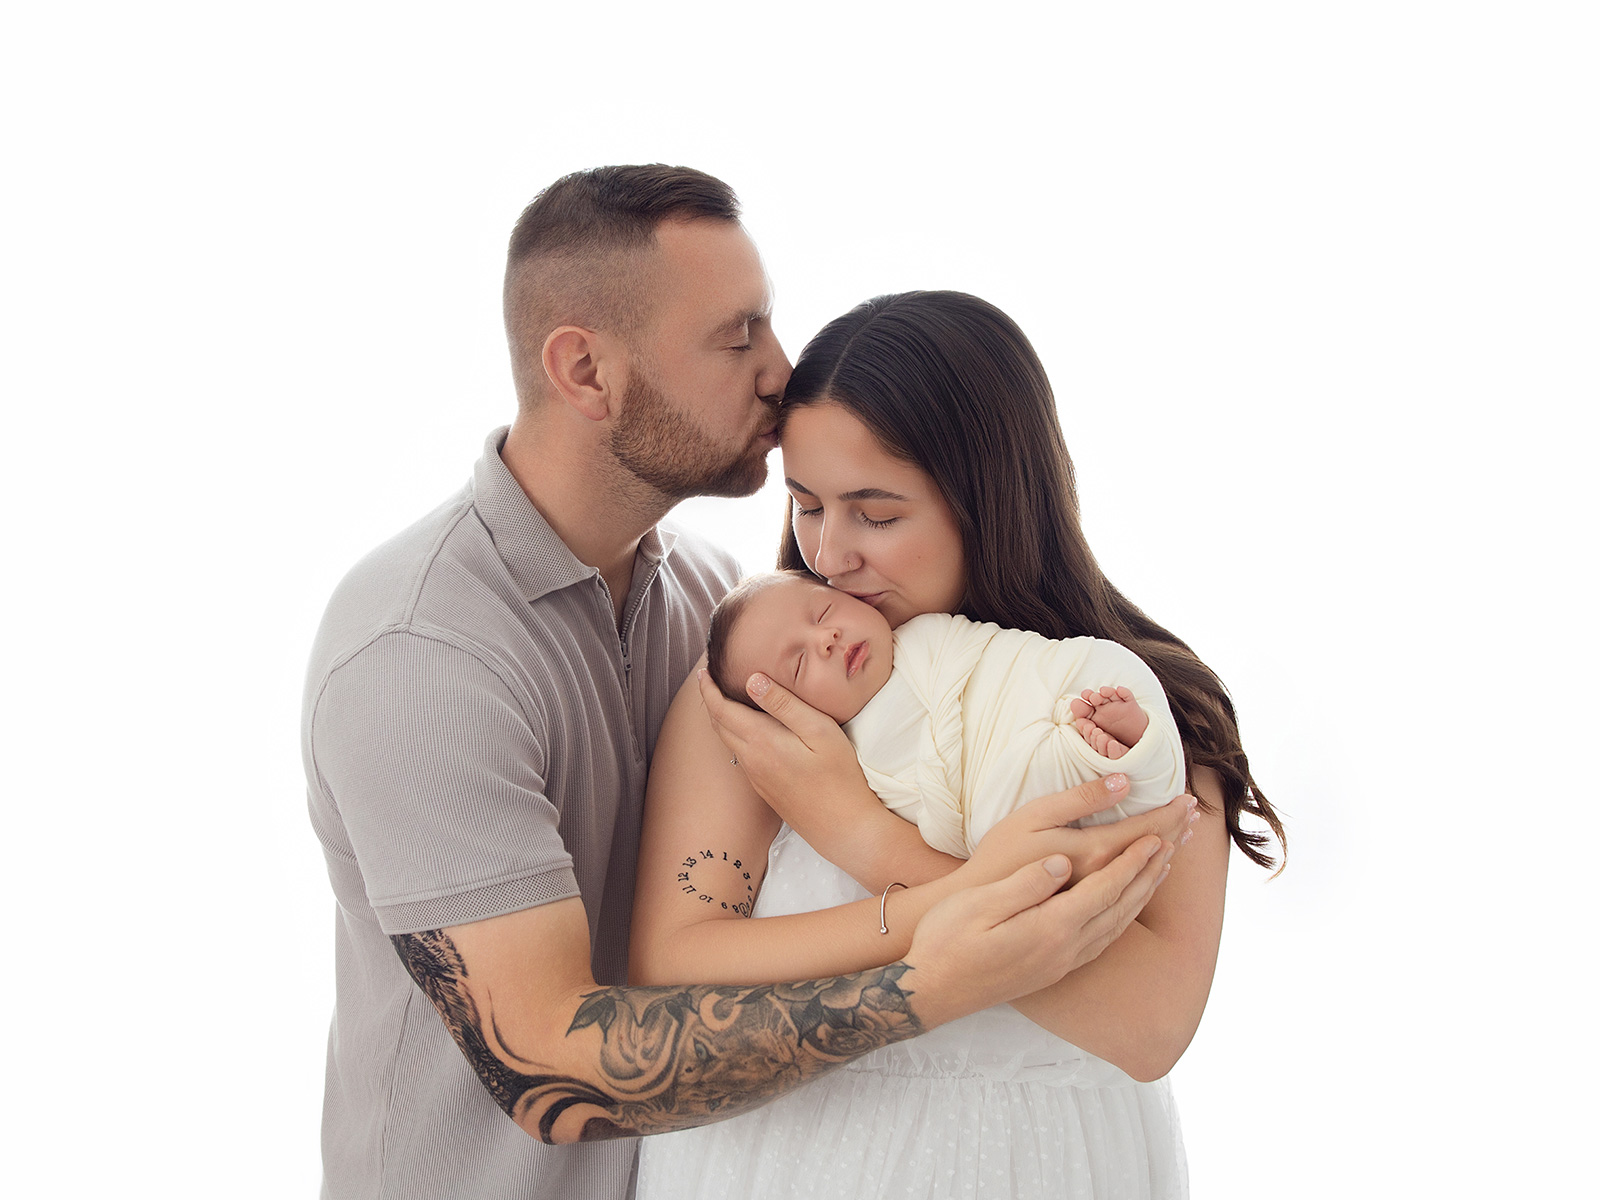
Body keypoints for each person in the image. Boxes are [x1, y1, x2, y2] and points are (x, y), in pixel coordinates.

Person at [302, 169, 1189, 1200]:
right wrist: (929, 971)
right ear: (586, 371)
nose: (780, 368)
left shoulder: (732, 613)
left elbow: (1152, 1014)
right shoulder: (421, 654)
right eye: (738, 336)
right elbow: (544, 1058)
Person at [631, 291, 1286, 1199]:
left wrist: (866, 837)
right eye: (807, 504)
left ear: (990, 495)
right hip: (786, 1161)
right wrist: (966, 903)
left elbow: (1148, 1025)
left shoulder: (1128, 711)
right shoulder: (772, 678)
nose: (830, 556)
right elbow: (672, 962)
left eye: (877, 513)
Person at [705, 569, 1187, 856]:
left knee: (1097, 661)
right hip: (999, 783)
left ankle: (1125, 738)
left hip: (1036, 688)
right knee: (997, 825)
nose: (826, 640)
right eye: (800, 663)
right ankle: (1097, 752)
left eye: (824, 612)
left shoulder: (926, 634)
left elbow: (1006, 656)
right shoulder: (854, 758)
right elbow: (939, 819)